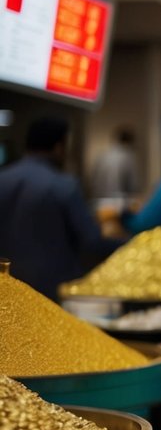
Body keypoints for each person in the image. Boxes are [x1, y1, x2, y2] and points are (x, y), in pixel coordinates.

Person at [0, 117, 118, 298]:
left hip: (7, 291)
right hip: (52, 292)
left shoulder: (4, 178)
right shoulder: (63, 185)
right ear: (58, 147)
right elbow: (92, 241)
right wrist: (133, 244)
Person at [87, 126, 137, 202]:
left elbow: (93, 179)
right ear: (130, 141)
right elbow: (133, 185)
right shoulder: (128, 156)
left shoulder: (103, 155)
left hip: (99, 200)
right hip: (118, 203)